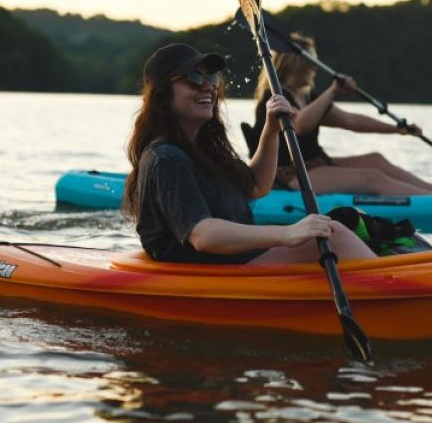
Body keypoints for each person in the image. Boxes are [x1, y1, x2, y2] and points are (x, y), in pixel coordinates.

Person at [121, 43, 376, 265]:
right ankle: (398, 290)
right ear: (163, 95)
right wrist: (287, 234)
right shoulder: (166, 158)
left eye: (211, 79)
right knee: (335, 233)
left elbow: (256, 185)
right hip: (214, 271)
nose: (208, 87)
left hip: (237, 259)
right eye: (194, 79)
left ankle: (402, 269)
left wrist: (270, 131)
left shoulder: (203, 150)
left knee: (354, 219)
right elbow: (203, 235)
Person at [251, 33, 432, 196]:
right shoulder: (275, 98)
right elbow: (300, 125)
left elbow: (352, 121)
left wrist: (398, 130)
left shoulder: (309, 97)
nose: (315, 66)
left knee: (376, 159)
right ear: (297, 64)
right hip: (289, 175)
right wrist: (334, 90)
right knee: (372, 177)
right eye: (311, 61)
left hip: (315, 163)